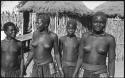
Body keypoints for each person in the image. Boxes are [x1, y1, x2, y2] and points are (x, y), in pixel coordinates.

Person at [73, 12, 116, 78]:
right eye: (95, 22)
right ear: (92, 23)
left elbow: (111, 61)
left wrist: (111, 76)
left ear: (105, 24)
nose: (98, 24)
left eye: (101, 22)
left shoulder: (109, 39)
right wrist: (75, 73)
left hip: (101, 73)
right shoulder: (85, 36)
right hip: (84, 72)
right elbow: (80, 57)